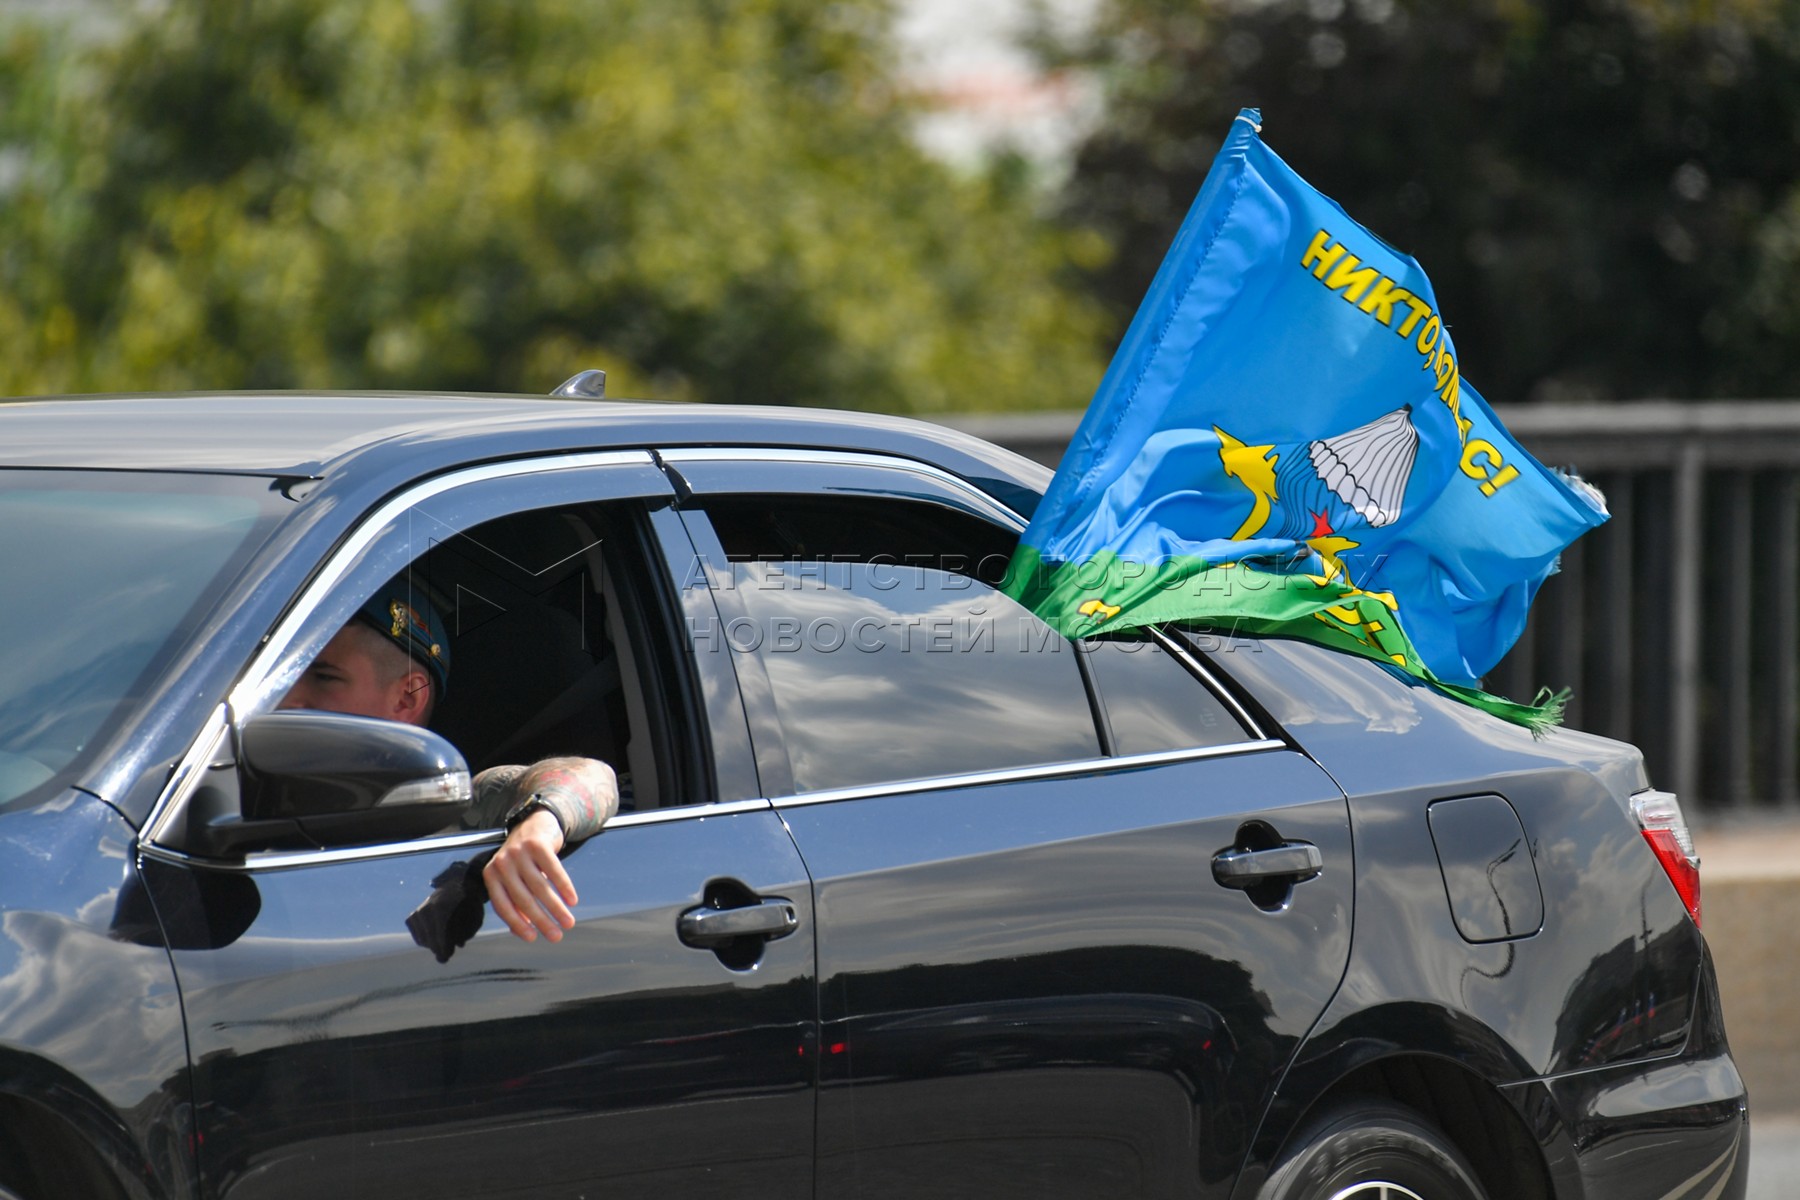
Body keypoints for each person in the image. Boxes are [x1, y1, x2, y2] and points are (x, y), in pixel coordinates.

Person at [279, 589, 618, 945]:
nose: (287, 699)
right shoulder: (234, 776)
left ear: (407, 697)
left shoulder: (450, 806)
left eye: (324, 676)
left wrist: (541, 823)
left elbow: (592, 775)